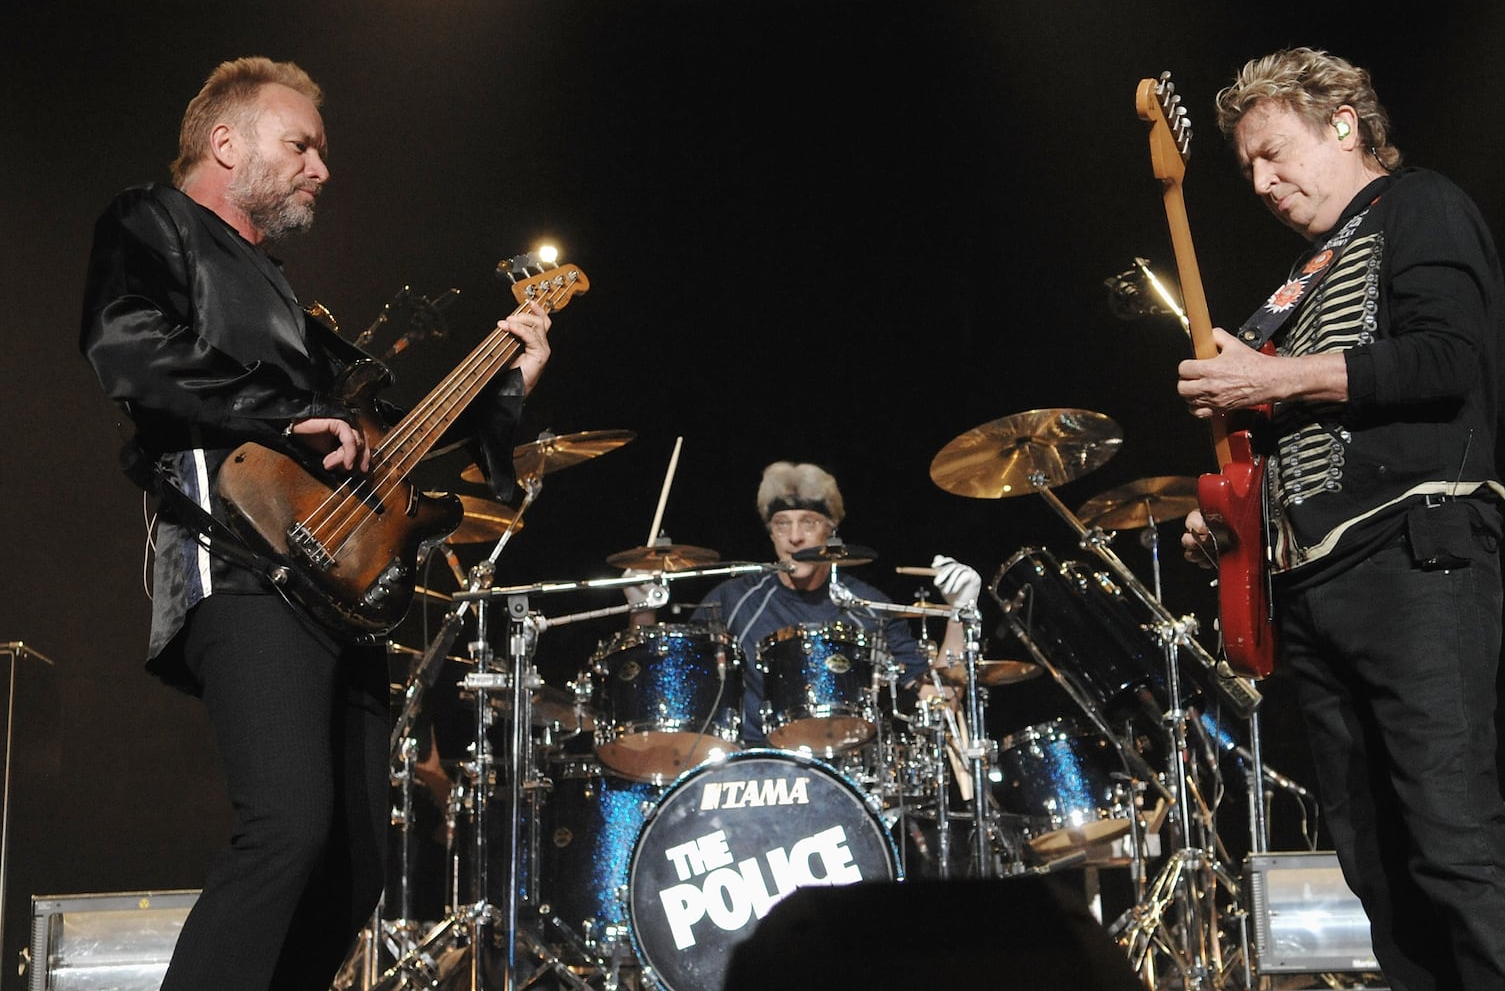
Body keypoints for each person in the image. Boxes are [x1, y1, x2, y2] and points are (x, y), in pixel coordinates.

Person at [79, 57, 552, 991]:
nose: (321, 169)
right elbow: (122, 343)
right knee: (287, 824)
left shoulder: (295, 303)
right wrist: (279, 413)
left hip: (337, 583)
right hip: (241, 555)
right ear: (226, 142)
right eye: (301, 145)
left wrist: (508, 386)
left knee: (354, 866)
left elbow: (395, 451)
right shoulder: (152, 221)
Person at [1176, 47, 1505, 990]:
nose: (1262, 182)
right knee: (1375, 865)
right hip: (1313, 583)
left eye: (1273, 152)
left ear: (1343, 121)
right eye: (1247, 169)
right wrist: (1233, 518)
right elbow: (1299, 436)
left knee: (1452, 836)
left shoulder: (1419, 207)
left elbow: (1449, 361)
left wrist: (1274, 375)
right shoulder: (1301, 277)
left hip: (1415, 555)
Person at [628, 461, 981, 748]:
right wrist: (642, 612)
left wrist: (960, 615)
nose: (794, 537)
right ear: (770, 533)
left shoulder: (869, 606)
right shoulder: (732, 601)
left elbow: (940, 705)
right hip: (749, 777)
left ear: (832, 530)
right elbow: (666, 689)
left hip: (847, 781)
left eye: (808, 522)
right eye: (782, 524)